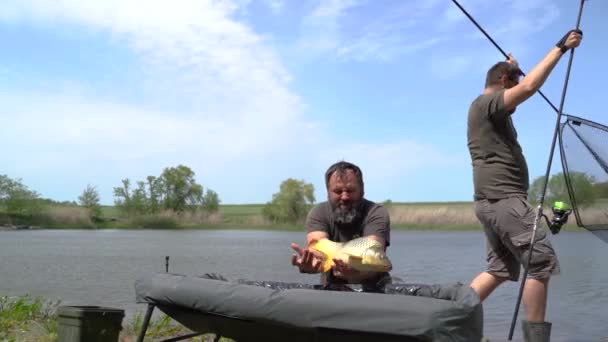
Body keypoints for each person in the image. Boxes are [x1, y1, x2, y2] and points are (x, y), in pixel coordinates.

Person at [466, 29, 583, 341]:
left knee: (500, 270)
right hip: (505, 200)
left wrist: (512, 64)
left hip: (491, 202)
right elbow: (530, 85)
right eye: (512, 84)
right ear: (504, 82)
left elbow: (518, 83)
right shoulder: (487, 103)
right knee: (540, 263)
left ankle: (451, 316)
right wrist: (560, 47)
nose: (515, 93)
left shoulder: (489, 109)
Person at [290, 161, 391, 291]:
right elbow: (317, 247)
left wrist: (356, 274)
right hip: (333, 290)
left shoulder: (376, 212)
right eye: (338, 191)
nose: (344, 197)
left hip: (375, 288)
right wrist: (310, 264)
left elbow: (376, 260)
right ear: (328, 192)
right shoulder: (318, 213)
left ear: (362, 190)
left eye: (350, 190)